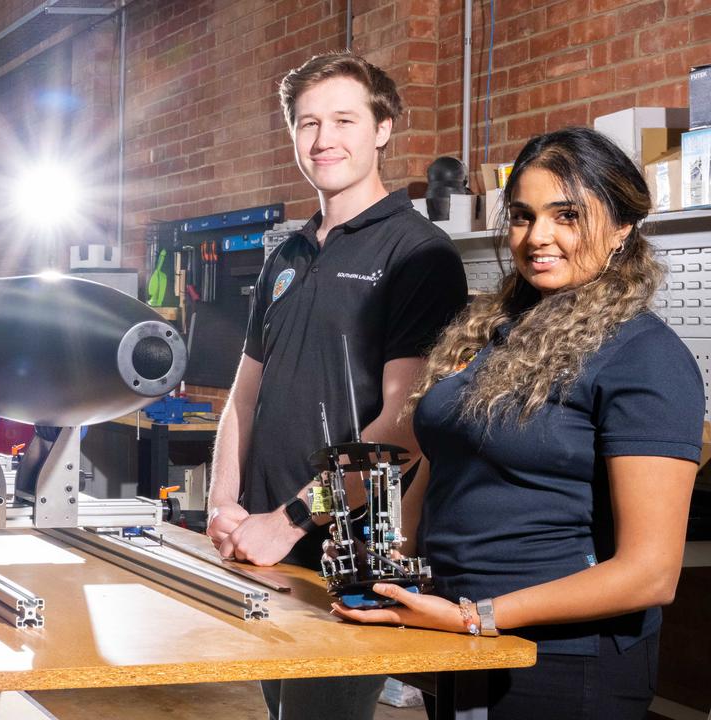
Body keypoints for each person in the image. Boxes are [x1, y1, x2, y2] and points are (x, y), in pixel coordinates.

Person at [333, 127, 702, 720]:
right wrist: (389, 559)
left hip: (563, 662)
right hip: (458, 638)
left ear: (622, 229)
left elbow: (650, 574)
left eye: (568, 216)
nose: (539, 238)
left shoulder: (643, 355)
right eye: (524, 216)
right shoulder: (495, 334)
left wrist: (475, 616)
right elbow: (449, 458)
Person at [205, 51, 468, 720]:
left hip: (345, 550)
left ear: (383, 128)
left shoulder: (419, 254)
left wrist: (290, 519)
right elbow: (243, 395)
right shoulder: (287, 254)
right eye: (307, 122)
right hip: (263, 546)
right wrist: (222, 502)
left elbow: (404, 428)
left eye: (344, 119)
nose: (324, 140)